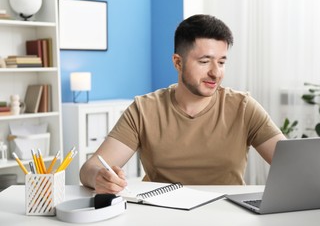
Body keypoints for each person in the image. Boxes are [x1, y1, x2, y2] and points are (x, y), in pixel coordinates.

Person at [80, 14, 285, 194]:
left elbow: (291, 166)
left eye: (221, 62)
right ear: (178, 62)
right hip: (162, 214)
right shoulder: (144, 110)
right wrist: (100, 177)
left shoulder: (243, 107)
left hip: (227, 214)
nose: (215, 72)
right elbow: (90, 168)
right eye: (205, 62)